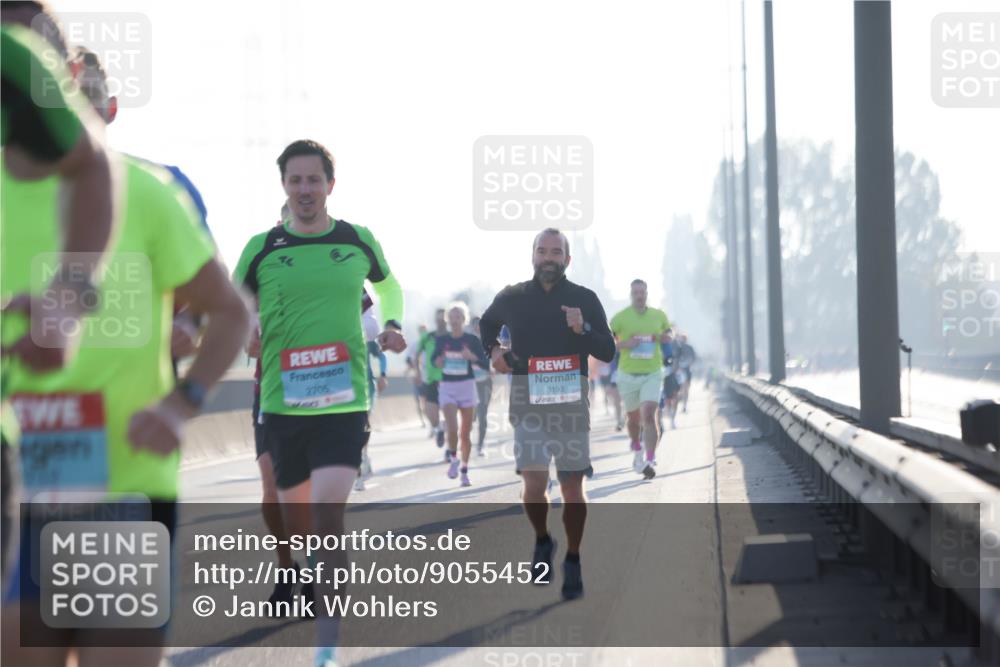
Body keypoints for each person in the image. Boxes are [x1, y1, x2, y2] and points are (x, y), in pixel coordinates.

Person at [234, 139, 404, 667]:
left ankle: (326, 646)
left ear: (331, 184)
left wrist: (392, 325)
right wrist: (243, 335)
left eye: (314, 180)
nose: (305, 189)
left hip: (343, 401)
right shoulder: (262, 248)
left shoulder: (356, 239)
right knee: (294, 512)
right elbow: (230, 307)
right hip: (281, 403)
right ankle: (295, 564)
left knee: (329, 512)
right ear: (284, 186)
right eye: (295, 180)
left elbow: (389, 288)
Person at [480, 228, 615, 600]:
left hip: (571, 405)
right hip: (527, 402)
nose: (549, 258)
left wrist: (583, 328)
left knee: (572, 487)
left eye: (556, 252)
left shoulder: (584, 298)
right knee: (534, 483)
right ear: (533, 256)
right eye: (542, 251)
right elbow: (486, 324)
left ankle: (573, 557)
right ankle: (542, 538)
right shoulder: (513, 297)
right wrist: (494, 350)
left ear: (567, 259)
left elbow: (607, 352)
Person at [610, 279, 671, 479]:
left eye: (642, 292)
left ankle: (650, 457)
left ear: (646, 293)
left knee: (649, 414)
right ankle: (637, 447)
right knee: (634, 419)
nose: (639, 295)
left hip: (652, 373)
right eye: (635, 292)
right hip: (628, 375)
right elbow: (607, 343)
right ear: (631, 294)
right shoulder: (620, 318)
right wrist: (625, 344)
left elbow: (668, 331)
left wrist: (667, 337)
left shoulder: (658, 316)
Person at [433, 303, 488, 486]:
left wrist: (471, 357)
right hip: (447, 387)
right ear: (447, 320)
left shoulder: (472, 340)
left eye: (458, 317)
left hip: (467, 387)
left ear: (464, 319)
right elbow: (434, 360)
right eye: (451, 317)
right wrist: (438, 361)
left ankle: (464, 470)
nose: (454, 320)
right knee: (452, 427)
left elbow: (485, 363)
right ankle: (453, 459)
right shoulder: (442, 340)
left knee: (465, 434)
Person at [416, 309, 447, 451]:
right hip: (430, 379)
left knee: (449, 413)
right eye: (438, 318)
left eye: (443, 318)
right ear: (435, 320)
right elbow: (416, 355)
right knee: (430, 412)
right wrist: (417, 372)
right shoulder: (427, 337)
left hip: (448, 380)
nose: (441, 321)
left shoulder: (452, 336)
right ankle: (438, 428)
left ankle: (450, 448)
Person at [469, 316, 494, 456]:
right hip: (470, 383)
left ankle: (481, 445)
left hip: (485, 381)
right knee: (471, 416)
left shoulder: (488, 341)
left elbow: (494, 357)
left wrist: (493, 367)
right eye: (475, 324)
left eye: (480, 324)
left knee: (483, 414)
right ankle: (466, 441)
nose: (477, 327)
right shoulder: (467, 341)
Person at [658, 329, 681, 431]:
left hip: (671, 374)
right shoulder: (655, 344)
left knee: (674, 397)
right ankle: (661, 421)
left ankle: (673, 418)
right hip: (658, 375)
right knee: (661, 400)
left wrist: (675, 369)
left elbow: (677, 359)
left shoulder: (675, 345)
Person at [675, 333, 697, 413]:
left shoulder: (689, 348)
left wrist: (689, 364)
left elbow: (694, 358)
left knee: (685, 389)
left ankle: (684, 406)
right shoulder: (678, 347)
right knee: (682, 390)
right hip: (680, 371)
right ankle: (681, 406)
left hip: (686, 370)